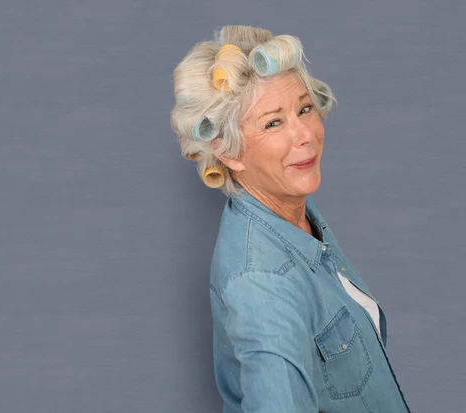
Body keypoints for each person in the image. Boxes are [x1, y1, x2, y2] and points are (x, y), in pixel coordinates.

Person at [169, 25, 412, 413]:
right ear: (229, 152)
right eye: (273, 123)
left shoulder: (295, 216)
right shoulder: (263, 283)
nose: (305, 135)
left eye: (304, 109)